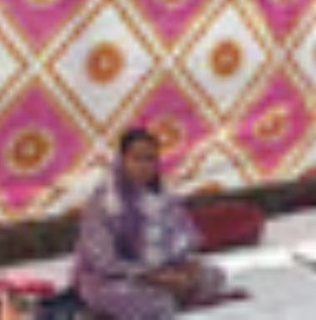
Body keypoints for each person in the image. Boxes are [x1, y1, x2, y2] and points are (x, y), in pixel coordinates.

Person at [74, 128, 227, 320]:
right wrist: (150, 276)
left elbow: (185, 238)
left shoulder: (164, 197)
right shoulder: (104, 203)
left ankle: (172, 292)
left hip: (165, 273)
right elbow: (104, 262)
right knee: (154, 305)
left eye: (150, 159)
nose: (144, 166)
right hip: (111, 280)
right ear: (122, 160)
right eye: (136, 159)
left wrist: (186, 266)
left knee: (213, 276)